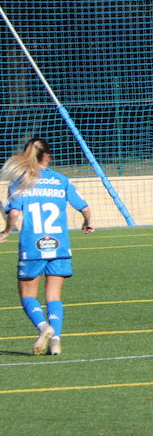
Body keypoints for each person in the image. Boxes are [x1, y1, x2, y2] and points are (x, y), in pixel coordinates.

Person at [0, 137, 94, 356]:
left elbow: (13, 213)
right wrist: (88, 222)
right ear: (48, 157)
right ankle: (56, 341)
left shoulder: (21, 182)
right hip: (59, 246)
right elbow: (85, 207)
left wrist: (5, 231)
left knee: (27, 295)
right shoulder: (62, 180)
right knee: (54, 296)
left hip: (33, 246)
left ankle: (44, 327)